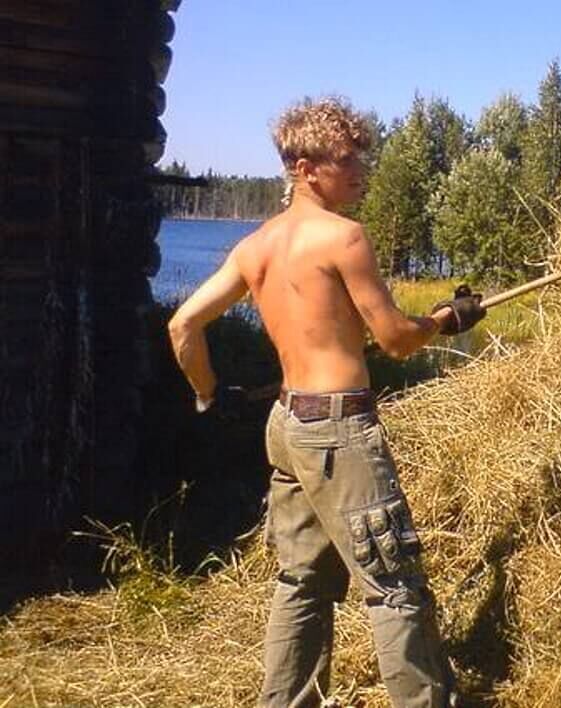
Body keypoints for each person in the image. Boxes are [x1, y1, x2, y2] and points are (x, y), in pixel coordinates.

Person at [167, 96, 484, 707]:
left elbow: (183, 326)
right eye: (348, 160)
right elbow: (394, 339)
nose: (362, 170)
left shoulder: (254, 246)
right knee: (394, 585)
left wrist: (209, 394)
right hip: (339, 434)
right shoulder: (344, 238)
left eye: (363, 155)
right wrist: (446, 318)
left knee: (301, 580)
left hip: (287, 425)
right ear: (307, 167)